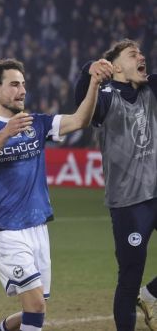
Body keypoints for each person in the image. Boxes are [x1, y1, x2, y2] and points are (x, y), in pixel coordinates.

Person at [0, 58, 109, 331]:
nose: (22, 91)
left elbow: (80, 120)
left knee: (34, 310)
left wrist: (94, 83)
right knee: (35, 306)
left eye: (23, 85)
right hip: (5, 229)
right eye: (14, 85)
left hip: (38, 226)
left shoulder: (38, 123)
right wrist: (5, 134)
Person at [74, 39, 157, 331]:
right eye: (133, 54)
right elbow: (83, 106)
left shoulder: (150, 90)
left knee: (135, 282)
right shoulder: (107, 97)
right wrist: (89, 72)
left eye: (142, 53)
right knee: (130, 276)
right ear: (116, 66)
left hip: (156, 193)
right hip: (128, 204)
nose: (141, 56)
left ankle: (150, 295)